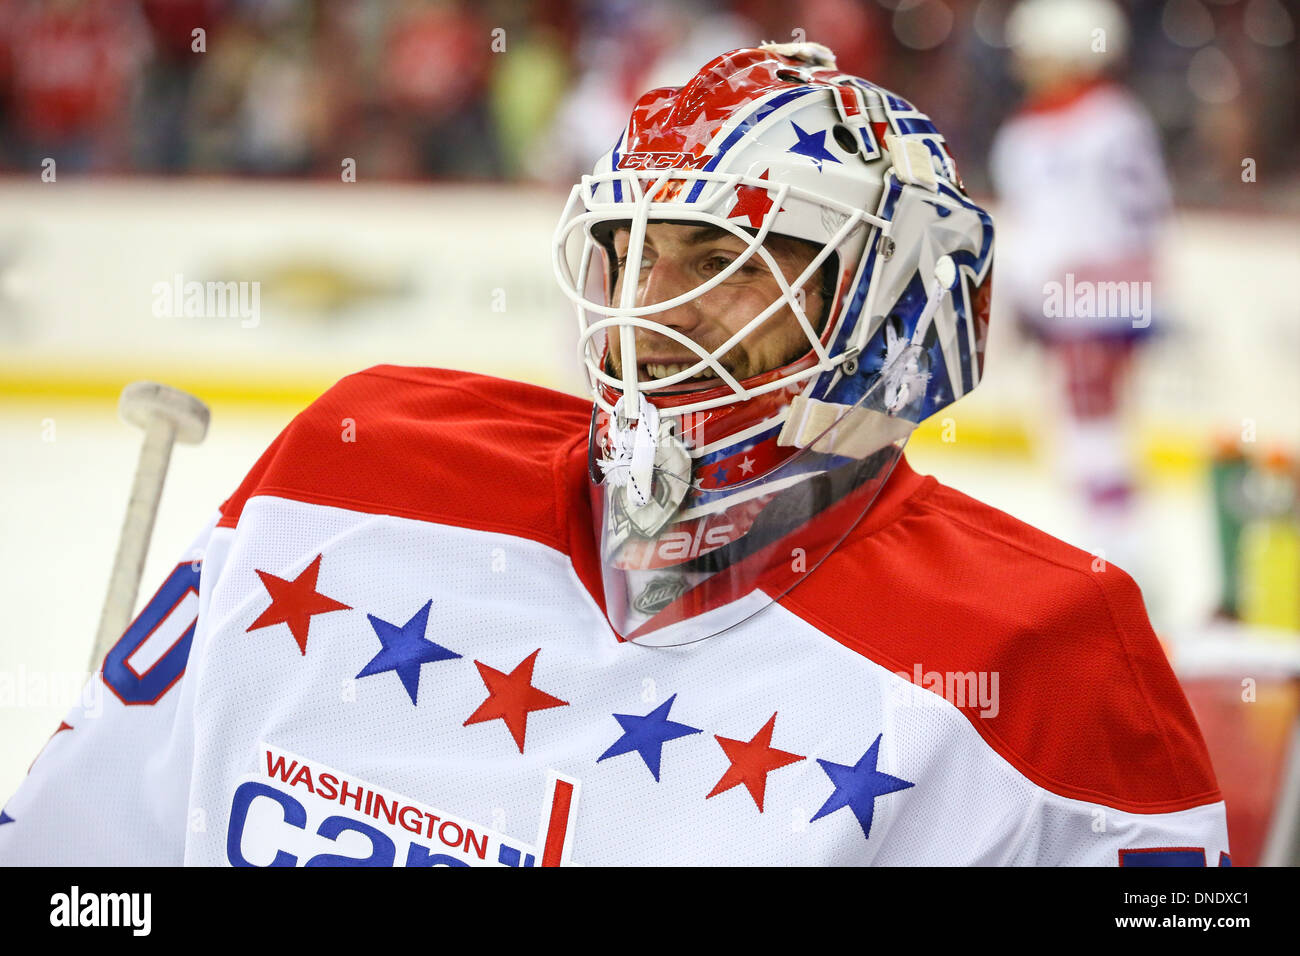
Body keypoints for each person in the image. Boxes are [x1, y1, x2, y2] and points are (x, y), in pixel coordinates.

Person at [0, 43, 1226, 866]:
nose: (648, 305)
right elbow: (73, 868)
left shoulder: (1060, 663)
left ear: (885, 304)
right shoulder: (346, 474)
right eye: (630, 253)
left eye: (719, 260)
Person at [990, 0, 1172, 585]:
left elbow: (1079, 225)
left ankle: (1120, 559)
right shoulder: (1078, 124)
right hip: (1086, 298)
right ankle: (1116, 552)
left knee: (1092, 431)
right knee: (1085, 428)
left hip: (1089, 299)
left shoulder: (1079, 128)